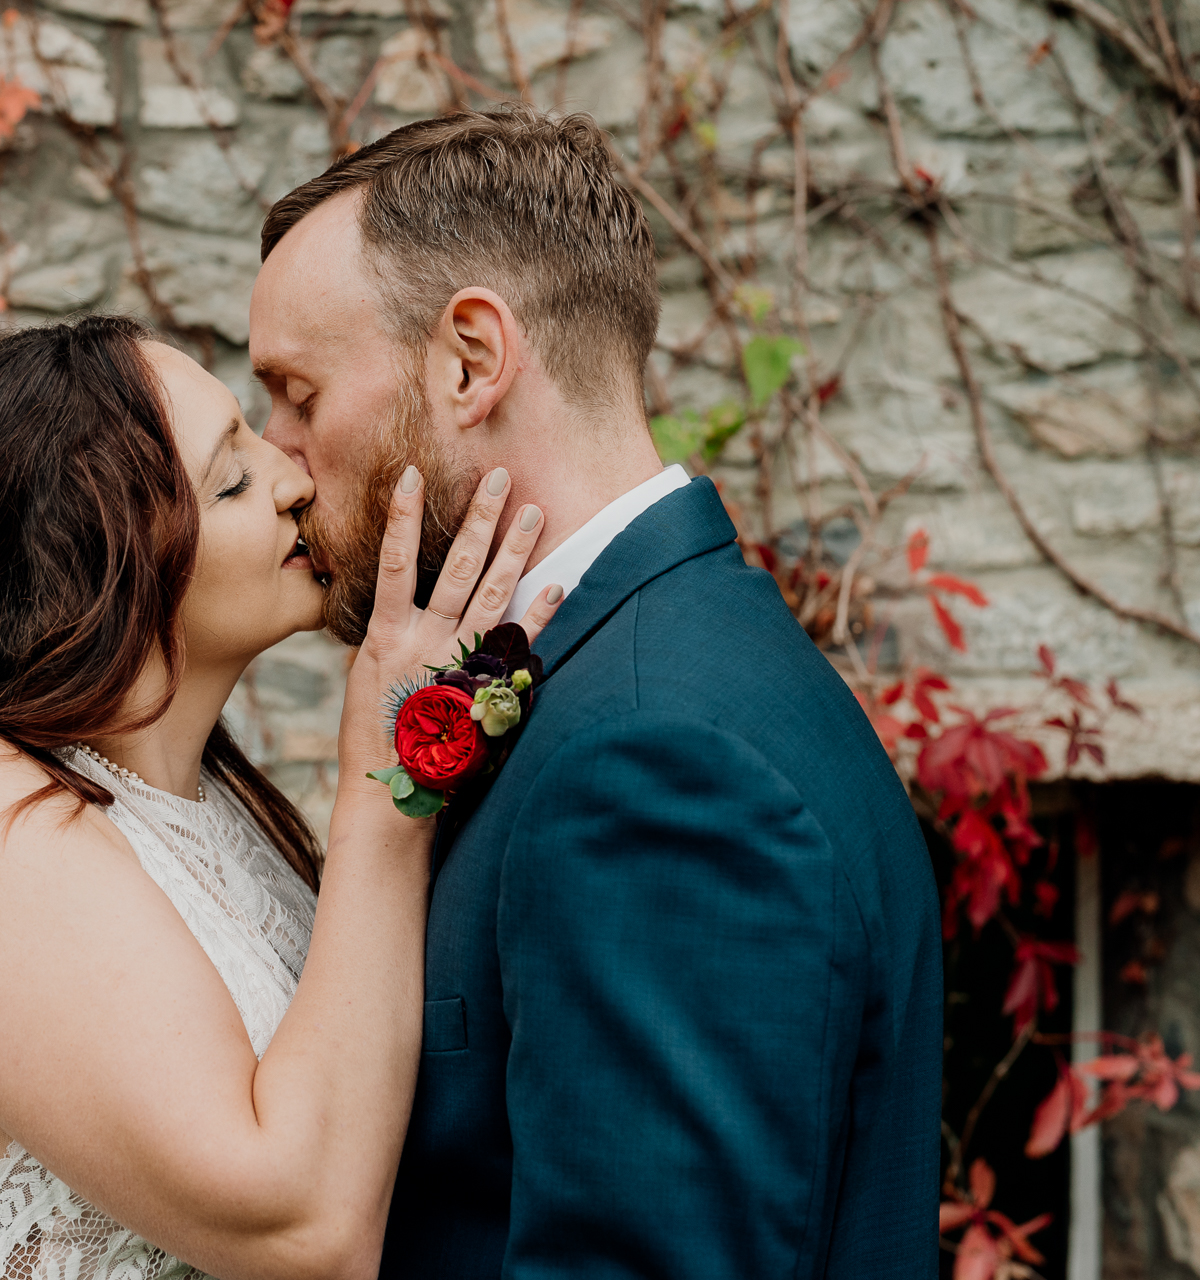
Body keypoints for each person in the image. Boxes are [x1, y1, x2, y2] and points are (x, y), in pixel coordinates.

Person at [0, 314, 564, 1280]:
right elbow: (305, 1228)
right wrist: (385, 783)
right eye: (232, 479)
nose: (294, 482)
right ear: (96, 570)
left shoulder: (207, 806)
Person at [250, 106, 944, 1279]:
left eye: (299, 394)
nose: (275, 456)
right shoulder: (648, 670)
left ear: (470, 360)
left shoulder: (654, 756)